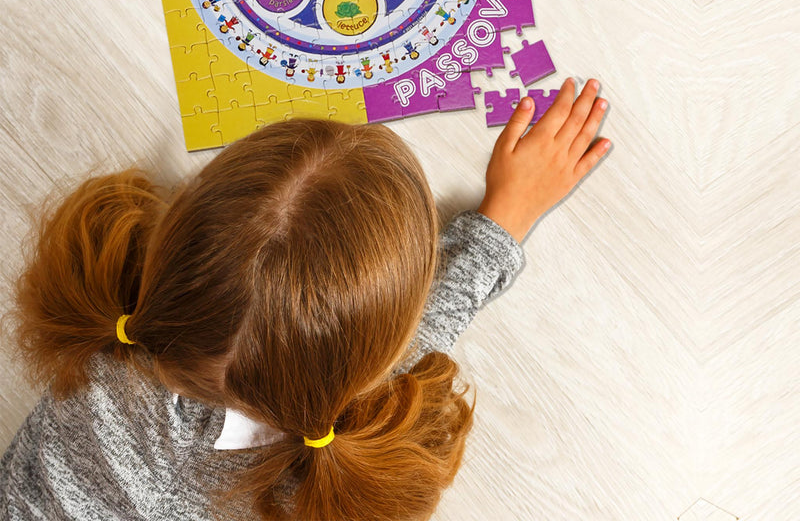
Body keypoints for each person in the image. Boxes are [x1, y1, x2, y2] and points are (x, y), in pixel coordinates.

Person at [0, 78, 610, 521]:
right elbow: (417, 345)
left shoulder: (103, 354)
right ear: (377, 366)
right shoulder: (301, 500)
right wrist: (501, 222)